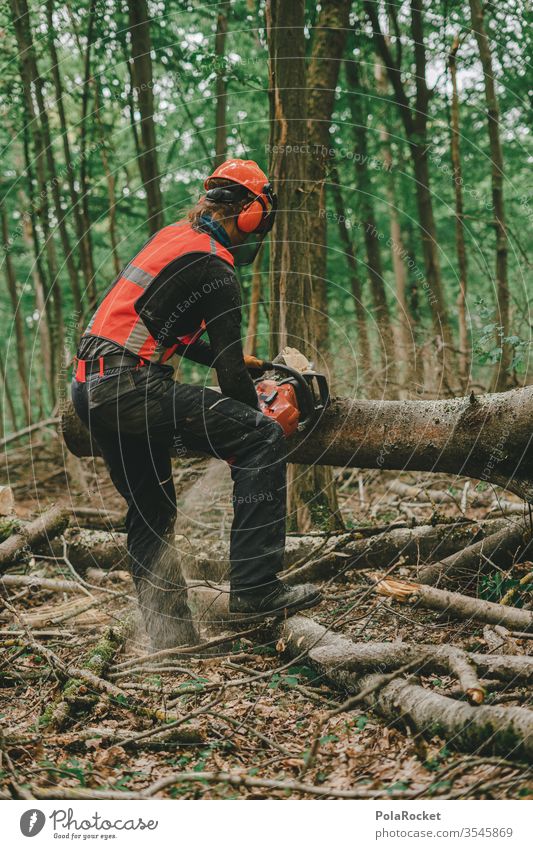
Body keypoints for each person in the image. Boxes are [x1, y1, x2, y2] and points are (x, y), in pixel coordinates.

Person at [71, 158, 321, 647]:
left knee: (153, 510)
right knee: (262, 437)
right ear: (249, 213)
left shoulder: (172, 238)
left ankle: (171, 642)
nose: (259, 233)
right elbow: (231, 380)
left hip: (88, 389)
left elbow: (171, 334)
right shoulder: (215, 267)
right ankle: (255, 588)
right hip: (130, 388)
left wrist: (234, 359)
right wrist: (262, 413)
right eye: (261, 221)